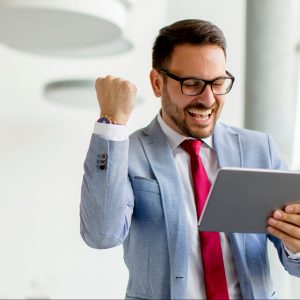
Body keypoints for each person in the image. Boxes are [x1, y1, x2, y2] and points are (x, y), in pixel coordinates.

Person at [80, 19, 300, 299]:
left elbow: (296, 262)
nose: (208, 99)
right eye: (192, 84)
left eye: (218, 83)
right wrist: (112, 124)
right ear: (157, 83)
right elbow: (101, 235)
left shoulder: (259, 149)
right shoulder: (128, 152)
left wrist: (297, 243)